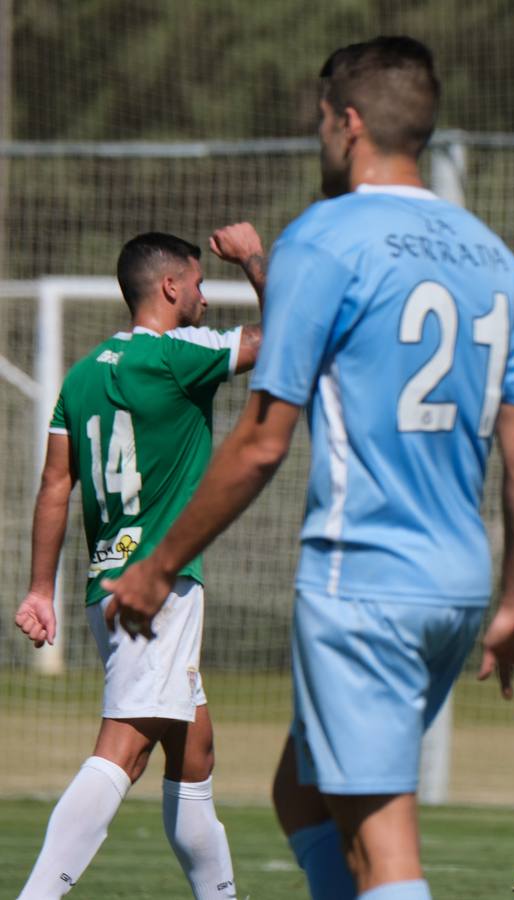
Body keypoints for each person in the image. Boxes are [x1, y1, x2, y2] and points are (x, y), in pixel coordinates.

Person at [101, 36, 514, 900]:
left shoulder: (327, 236)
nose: (318, 135)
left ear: (348, 124)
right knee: (299, 790)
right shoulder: (495, 257)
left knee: (387, 848)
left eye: (319, 120)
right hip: (457, 584)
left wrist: (157, 565)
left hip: (363, 579)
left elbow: (265, 438)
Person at [14, 224, 265, 899]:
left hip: (107, 585)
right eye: (201, 283)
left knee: (195, 751)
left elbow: (55, 484)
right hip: (160, 587)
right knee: (123, 749)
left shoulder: (83, 372)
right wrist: (251, 260)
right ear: (171, 286)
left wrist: (41, 588)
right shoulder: (180, 354)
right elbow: (287, 346)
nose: (207, 299)